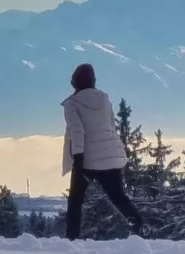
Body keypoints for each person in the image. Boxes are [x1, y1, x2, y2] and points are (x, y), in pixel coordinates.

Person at [62, 63, 146, 240]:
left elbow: (77, 132)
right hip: (111, 154)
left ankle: (71, 238)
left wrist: (78, 159)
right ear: (93, 80)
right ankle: (140, 227)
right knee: (118, 197)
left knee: (75, 200)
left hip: (87, 158)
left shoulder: (71, 104)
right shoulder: (105, 100)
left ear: (74, 82)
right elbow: (111, 126)